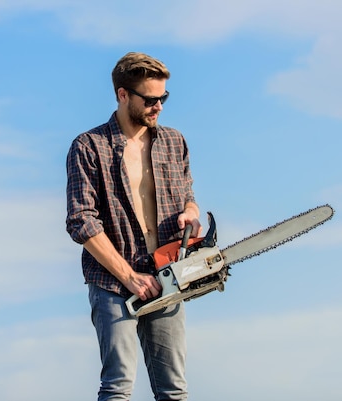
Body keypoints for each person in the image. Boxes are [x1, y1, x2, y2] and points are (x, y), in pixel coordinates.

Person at [65, 52, 201, 401]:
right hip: (112, 282)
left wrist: (190, 211)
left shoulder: (174, 142)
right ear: (123, 95)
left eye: (163, 98)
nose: (158, 107)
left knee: (174, 390)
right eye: (150, 99)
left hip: (167, 276)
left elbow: (188, 194)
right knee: (118, 387)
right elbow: (81, 221)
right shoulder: (88, 147)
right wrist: (129, 277)